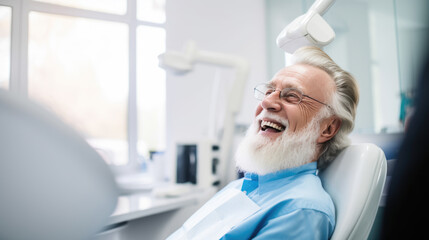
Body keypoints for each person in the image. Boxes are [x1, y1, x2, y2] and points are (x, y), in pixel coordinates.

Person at [167, 46, 359, 240]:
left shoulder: (300, 210)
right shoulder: (242, 186)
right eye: (268, 91)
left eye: (292, 96)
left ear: (327, 129)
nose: (267, 102)